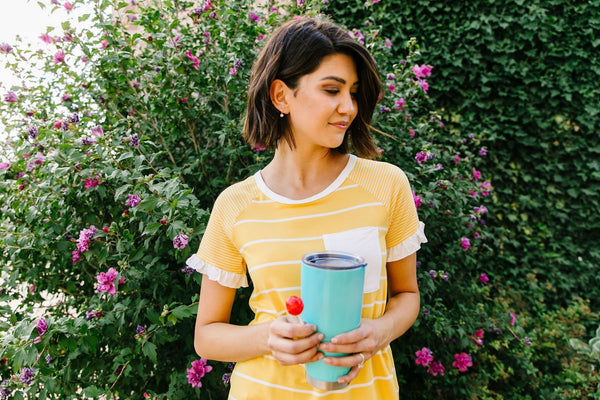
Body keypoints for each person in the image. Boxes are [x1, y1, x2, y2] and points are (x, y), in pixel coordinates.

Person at [186, 15, 427, 399]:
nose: (348, 107)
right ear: (281, 95)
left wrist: (378, 332)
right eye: (331, 90)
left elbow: (407, 295)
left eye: (353, 92)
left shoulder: (385, 185)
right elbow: (207, 336)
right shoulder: (235, 204)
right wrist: (269, 338)